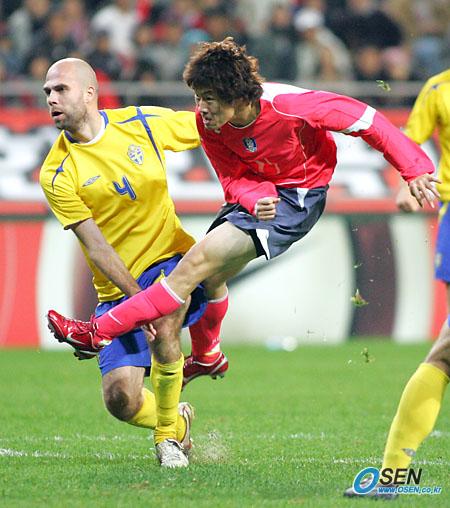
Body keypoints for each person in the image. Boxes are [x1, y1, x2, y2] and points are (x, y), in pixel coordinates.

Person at [48, 38, 439, 406]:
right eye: (198, 97)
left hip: (298, 197)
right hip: (261, 196)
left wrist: (414, 168)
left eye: (209, 99)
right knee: (210, 276)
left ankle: (98, 331)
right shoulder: (209, 126)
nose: (201, 108)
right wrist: (255, 197)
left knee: (194, 264)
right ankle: (207, 356)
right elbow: (232, 179)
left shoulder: (288, 104)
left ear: (237, 97)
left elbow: (367, 120)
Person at [40, 58, 229, 468]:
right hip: (118, 288)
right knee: (120, 400)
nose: (52, 99)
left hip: (170, 258)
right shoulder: (56, 172)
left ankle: (167, 441)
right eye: (47, 93)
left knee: (165, 318)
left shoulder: (141, 123)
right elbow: (96, 247)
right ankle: (177, 420)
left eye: (60, 90)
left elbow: (210, 126)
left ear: (89, 93)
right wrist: (135, 300)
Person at [345, 69, 450, 498]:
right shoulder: (438, 88)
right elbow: (409, 140)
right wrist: (410, 183)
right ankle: (392, 475)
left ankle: (392, 476)